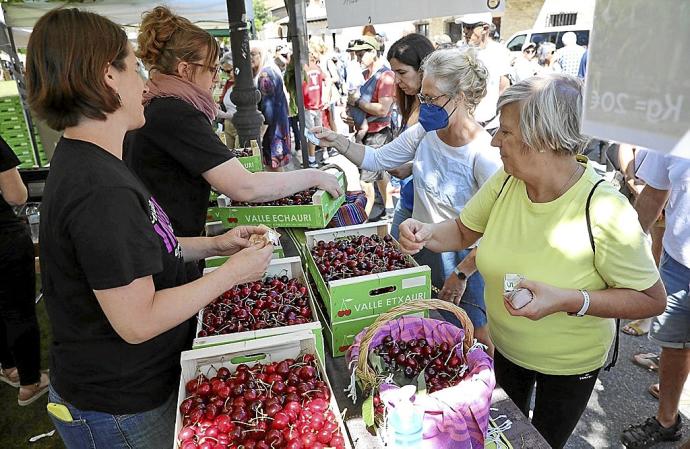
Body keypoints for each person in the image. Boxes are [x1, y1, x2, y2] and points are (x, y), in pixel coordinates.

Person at [26, 8, 274, 448]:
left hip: (130, 390)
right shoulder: (99, 187)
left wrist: (215, 244)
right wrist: (233, 273)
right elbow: (137, 320)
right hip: (120, 406)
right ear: (108, 76)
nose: (145, 81)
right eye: (134, 65)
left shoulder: (96, 160)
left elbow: (142, 249)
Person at [396, 74, 666, 448]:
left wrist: (571, 299)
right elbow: (460, 231)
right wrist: (422, 232)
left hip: (569, 367)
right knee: (502, 435)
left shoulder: (603, 208)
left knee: (541, 442)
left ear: (545, 139)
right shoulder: (508, 181)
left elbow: (652, 299)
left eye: (505, 132)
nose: (494, 141)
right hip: (506, 349)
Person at [126, 7, 341, 280]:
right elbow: (244, 187)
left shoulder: (157, 103)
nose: (216, 77)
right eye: (212, 69)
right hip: (166, 258)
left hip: (168, 245)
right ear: (185, 70)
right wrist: (313, 176)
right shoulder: (176, 111)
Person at [313, 48, 501, 349]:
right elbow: (377, 159)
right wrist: (337, 141)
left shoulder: (484, 156)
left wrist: (462, 274)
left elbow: (498, 231)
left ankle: (483, 384)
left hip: (467, 262)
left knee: (476, 333)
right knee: (435, 328)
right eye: (422, 97)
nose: (424, 105)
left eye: (432, 98)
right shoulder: (424, 133)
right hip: (425, 248)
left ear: (462, 97)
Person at [621, 151, 690, 448]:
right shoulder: (679, 119)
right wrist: (623, 255)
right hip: (678, 262)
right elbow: (654, 192)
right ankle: (666, 421)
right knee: (674, 345)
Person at [0, 135, 49, 406]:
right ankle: (30, 381)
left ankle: (9, 367)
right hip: (4, 240)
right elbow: (17, 194)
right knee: (18, 310)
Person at [384, 33, 435, 241]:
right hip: (407, 201)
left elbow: (443, 158)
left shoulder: (437, 110)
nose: (397, 80)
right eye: (394, 72)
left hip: (430, 212)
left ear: (423, 70)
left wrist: (410, 166)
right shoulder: (410, 103)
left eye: (402, 72)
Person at [346, 35, 396, 220]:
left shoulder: (385, 76)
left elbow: (383, 109)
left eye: (361, 54)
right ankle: (387, 207)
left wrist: (357, 102)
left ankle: (365, 217)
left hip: (378, 132)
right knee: (379, 173)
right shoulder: (367, 75)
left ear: (373, 52)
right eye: (356, 55)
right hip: (369, 132)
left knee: (366, 180)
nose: (358, 58)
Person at [455, 12, 511, 131]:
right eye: (464, 26)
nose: (465, 31)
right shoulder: (460, 51)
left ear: (485, 29)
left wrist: (499, 115)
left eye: (470, 27)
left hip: (491, 123)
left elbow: (504, 86)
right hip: (465, 121)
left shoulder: (499, 51)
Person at [251, 43, 292, 171]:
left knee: (274, 167)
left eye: (253, 54)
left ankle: (285, 191)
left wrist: (260, 134)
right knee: (275, 167)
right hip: (277, 126)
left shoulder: (265, 75)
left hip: (272, 130)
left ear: (261, 55)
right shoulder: (270, 69)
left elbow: (268, 109)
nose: (249, 58)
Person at [303, 47, 326, 168]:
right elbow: (325, 79)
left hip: (308, 105)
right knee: (320, 131)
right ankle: (325, 153)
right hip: (318, 103)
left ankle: (311, 159)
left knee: (310, 133)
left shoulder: (303, 69)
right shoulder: (317, 68)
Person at [217, 52, 237, 148]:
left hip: (239, 126)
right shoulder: (229, 84)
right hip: (228, 124)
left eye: (229, 71)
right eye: (225, 72)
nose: (227, 75)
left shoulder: (246, 84)